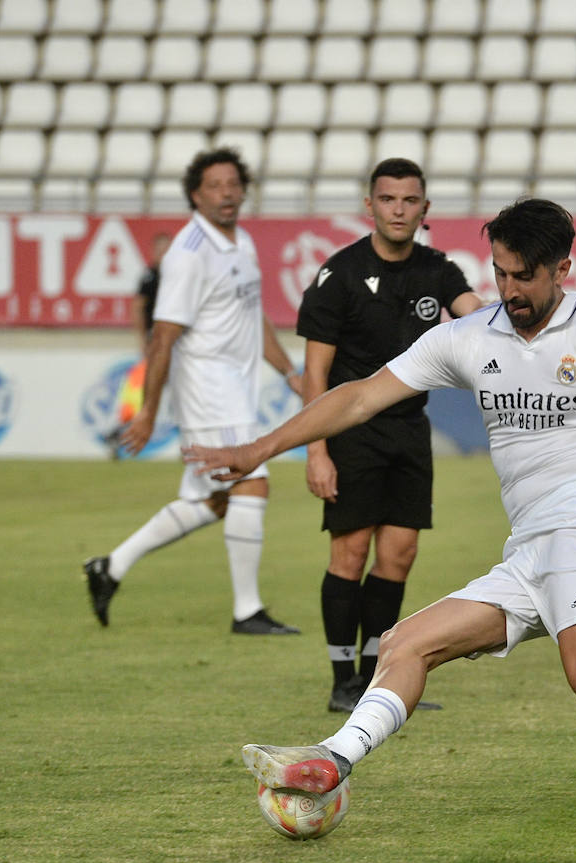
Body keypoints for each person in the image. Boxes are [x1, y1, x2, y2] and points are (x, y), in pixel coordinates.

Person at [185, 198, 576, 844]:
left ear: (563, 269)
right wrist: (257, 449)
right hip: (531, 543)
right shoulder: (468, 339)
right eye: (500, 273)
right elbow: (358, 396)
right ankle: (330, 760)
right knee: (402, 643)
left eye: (525, 275)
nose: (510, 289)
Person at [82, 147, 304, 635]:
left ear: (244, 189)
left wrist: (289, 372)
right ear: (195, 196)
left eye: (232, 184)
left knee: (217, 500)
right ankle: (247, 611)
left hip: (235, 387)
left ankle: (111, 566)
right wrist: (145, 413)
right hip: (207, 387)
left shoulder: (240, 242)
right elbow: (163, 337)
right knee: (253, 481)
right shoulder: (188, 255)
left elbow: (253, 316)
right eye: (214, 186)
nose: (226, 193)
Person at [297, 157, 482, 713]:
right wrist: (316, 450)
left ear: (425, 209)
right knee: (350, 552)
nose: (398, 209)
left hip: (408, 430)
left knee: (398, 555)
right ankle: (341, 680)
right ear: (370, 206)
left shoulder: (437, 269)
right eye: (388, 199)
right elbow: (315, 374)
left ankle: (376, 676)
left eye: (409, 200)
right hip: (350, 429)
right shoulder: (339, 274)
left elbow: (475, 315)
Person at [105, 232, 173, 459]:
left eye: (168, 249)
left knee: (183, 391)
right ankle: (120, 432)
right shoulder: (150, 277)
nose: (164, 255)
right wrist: (144, 340)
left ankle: (193, 443)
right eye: (160, 250)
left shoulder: (178, 275)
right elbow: (138, 307)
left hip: (179, 343)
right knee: (144, 392)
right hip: (159, 342)